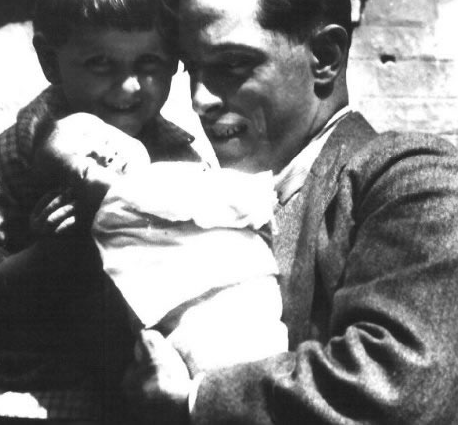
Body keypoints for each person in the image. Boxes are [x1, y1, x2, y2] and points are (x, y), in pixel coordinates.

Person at [120, 0, 458, 425]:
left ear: (324, 58)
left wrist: (195, 400)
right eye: (192, 71)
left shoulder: (417, 180)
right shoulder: (234, 199)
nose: (200, 99)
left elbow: (394, 384)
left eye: (233, 65)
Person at [0, 0, 201, 425]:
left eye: (150, 63)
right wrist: (46, 254)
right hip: (0, 391)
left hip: (118, 396)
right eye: (100, 63)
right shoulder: (8, 161)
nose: (130, 86)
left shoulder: (176, 161)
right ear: (51, 60)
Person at [34, 111, 287, 377]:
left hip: (194, 327)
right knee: (260, 383)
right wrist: (262, 194)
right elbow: (225, 200)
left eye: (103, 137)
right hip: (218, 312)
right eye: (87, 165)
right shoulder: (132, 190)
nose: (105, 154)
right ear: (75, 197)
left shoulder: (113, 216)